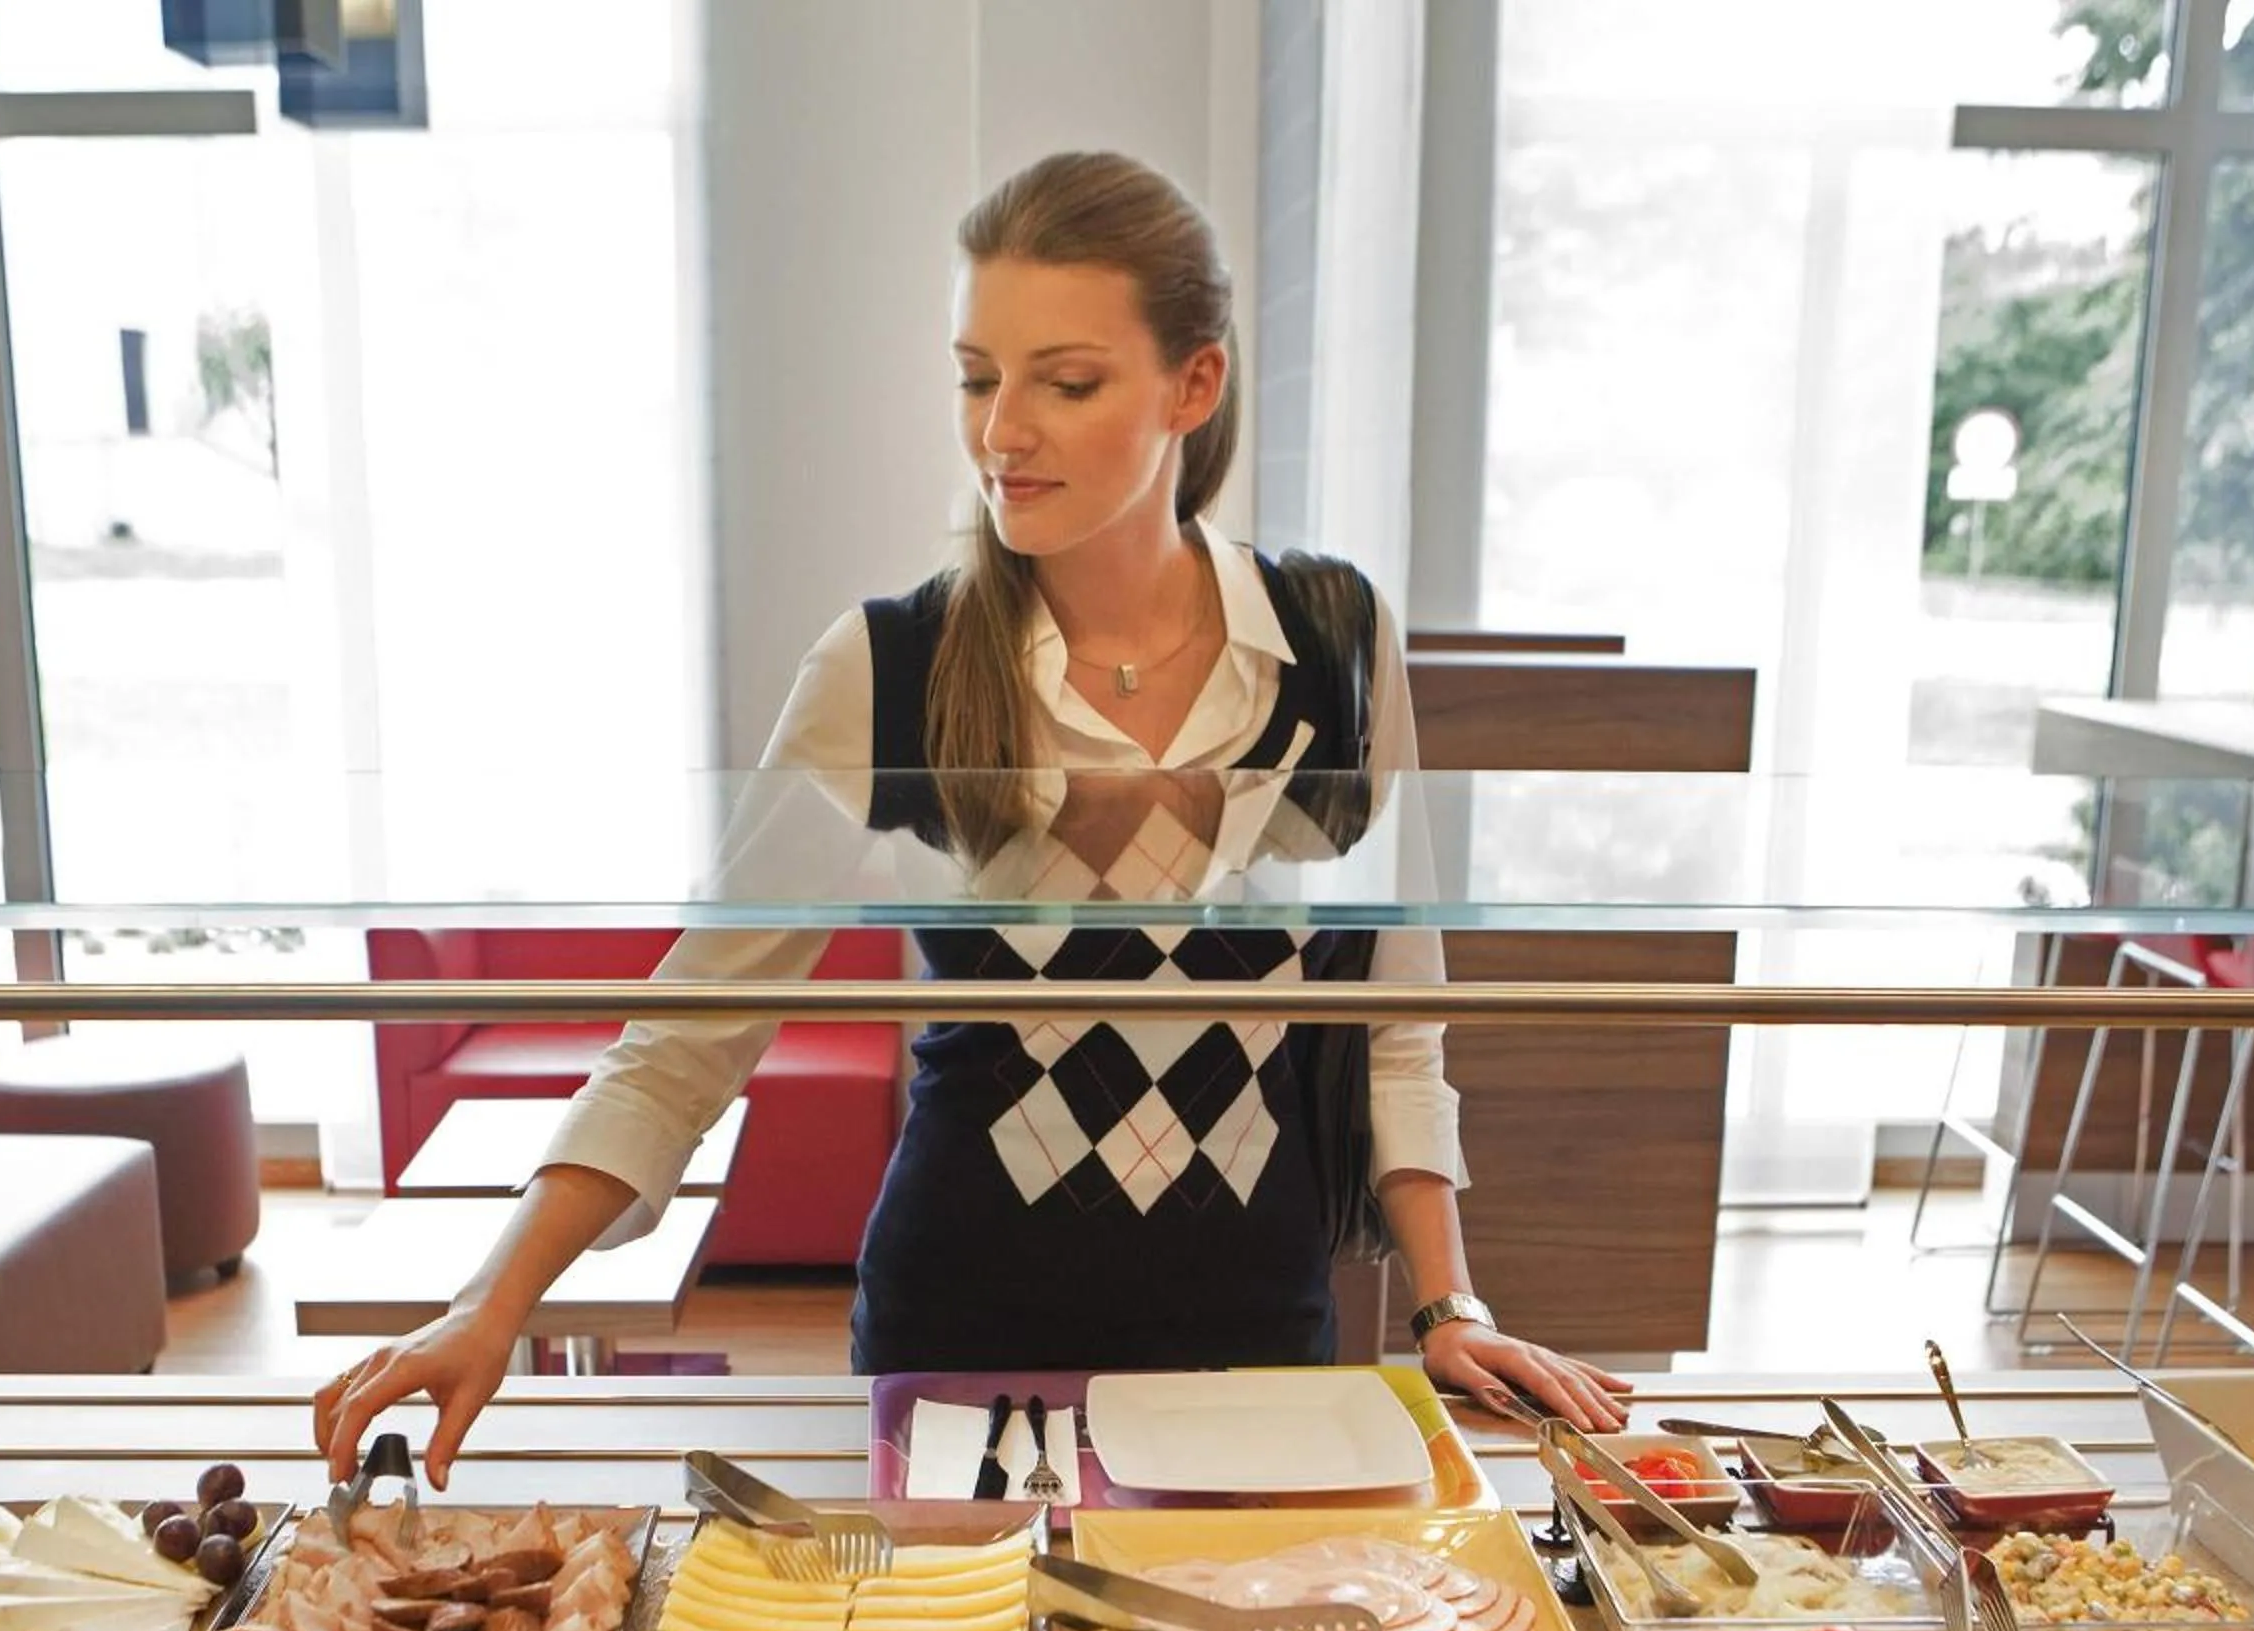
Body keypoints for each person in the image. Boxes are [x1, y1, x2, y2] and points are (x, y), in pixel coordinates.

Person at [318, 150, 1630, 1488]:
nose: (1004, 430)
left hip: (1258, 1338)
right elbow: (685, 1036)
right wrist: (494, 1301)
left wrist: (1449, 1302)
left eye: (1065, 383)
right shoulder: (888, 669)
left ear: (1195, 384)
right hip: (961, 1341)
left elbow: (1394, 1027)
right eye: (977, 377)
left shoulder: (1334, 650)